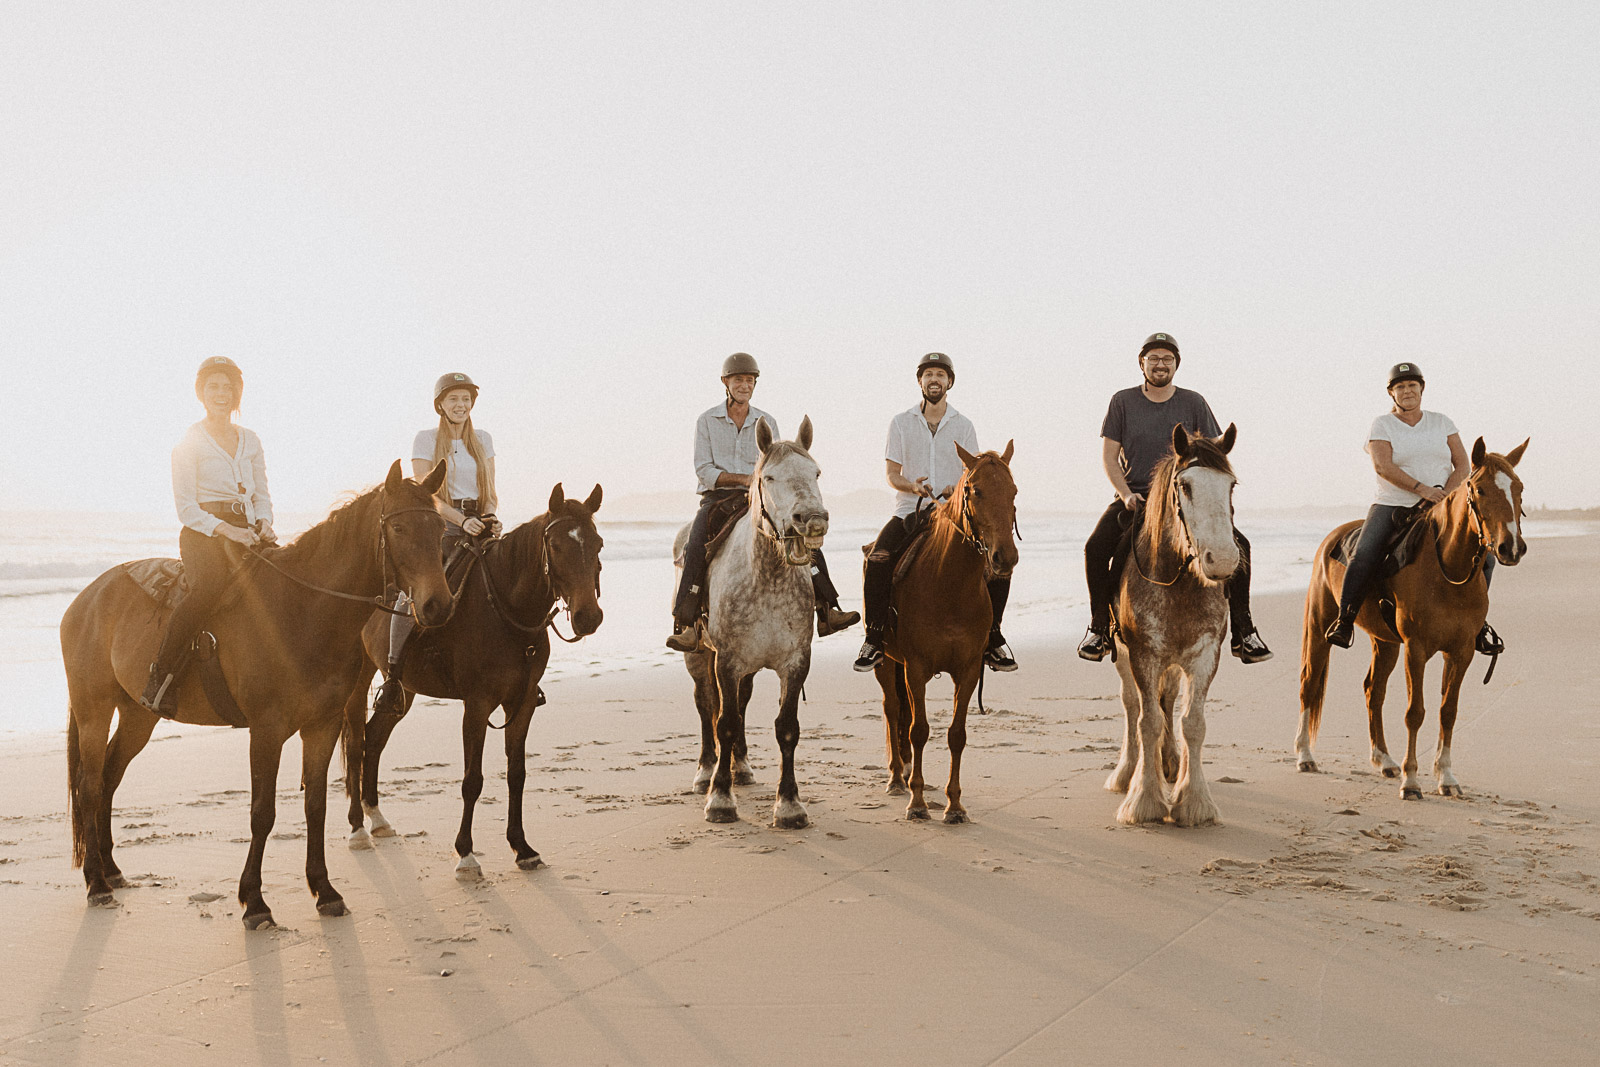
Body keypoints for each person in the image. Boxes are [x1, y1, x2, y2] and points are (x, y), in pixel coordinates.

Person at [1077, 333, 1273, 664]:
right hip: (1137, 498)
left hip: (1185, 499)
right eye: (1153, 358)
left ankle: (1244, 630)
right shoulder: (1122, 402)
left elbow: (1212, 454)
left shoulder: (1193, 402)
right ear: (1142, 364)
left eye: (1167, 358)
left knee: (1241, 546)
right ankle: (1099, 627)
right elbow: (1110, 457)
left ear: (1176, 365)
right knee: (1096, 548)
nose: (1160, 364)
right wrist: (1125, 493)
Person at [666, 353, 859, 652]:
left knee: (804, 535)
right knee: (694, 545)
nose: (744, 385)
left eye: (749, 380)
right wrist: (744, 480)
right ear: (725, 383)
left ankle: (827, 609)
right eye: (738, 380)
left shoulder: (766, 421)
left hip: (761, 498)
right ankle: (687, 624)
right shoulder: (706, 420)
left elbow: (778, 466)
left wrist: (764, 487)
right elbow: (704, 469)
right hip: (718, 497)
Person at [853, 352, 1016, 673]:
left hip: (954, 515)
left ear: (949, 383)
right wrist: (913, 486)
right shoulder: (900, 422)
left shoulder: (964, 425)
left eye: (940, 375)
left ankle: (993, 637)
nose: (934, 380)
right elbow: (891, 474)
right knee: (878, 558)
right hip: (909, 511)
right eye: (928, 375)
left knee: (997, 564)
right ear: (920, 382)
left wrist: (955, 491)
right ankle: (873, 637)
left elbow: (974, 473)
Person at [1324, 362, 1502, 652]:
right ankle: (1345, 621)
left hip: (1442, 506)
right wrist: (1421, 489)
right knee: (1365, 553)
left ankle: (1477, 625)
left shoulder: (1441, 422)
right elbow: (1382, 466)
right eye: (1400, 387)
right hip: (1393, 503)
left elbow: (1463, 464)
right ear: (1391, 393)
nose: (1407, 391)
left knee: (1486, 558)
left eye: (1412, 386)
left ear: (1421, 389)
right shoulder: (1382, 424)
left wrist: (1445, 494)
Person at [140, 356, 275, 716]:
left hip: (247, 532)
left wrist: (264, 522)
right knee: (208, 589)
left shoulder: (251, 440)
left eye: (228, 387)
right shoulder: (189, 441)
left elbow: (261, 492)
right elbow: (186, 508)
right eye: (213, 386)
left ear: (237, 394)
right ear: (201, 393)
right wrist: (228, 530)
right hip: (204, 534)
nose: (221, 393)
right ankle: (161, 676)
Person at [372, 372, 502, 716]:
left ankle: (517, 674)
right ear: (440, 405)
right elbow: (423, 494)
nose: (461, 405)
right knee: (411, 593)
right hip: (440, 528)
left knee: (512, 585)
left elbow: (490, 490)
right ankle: (393, 673)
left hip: (480, 526)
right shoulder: (426, 439)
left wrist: (488, 517)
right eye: (453, 399)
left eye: (465, 399)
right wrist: (461, 521)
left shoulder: (483, 439)